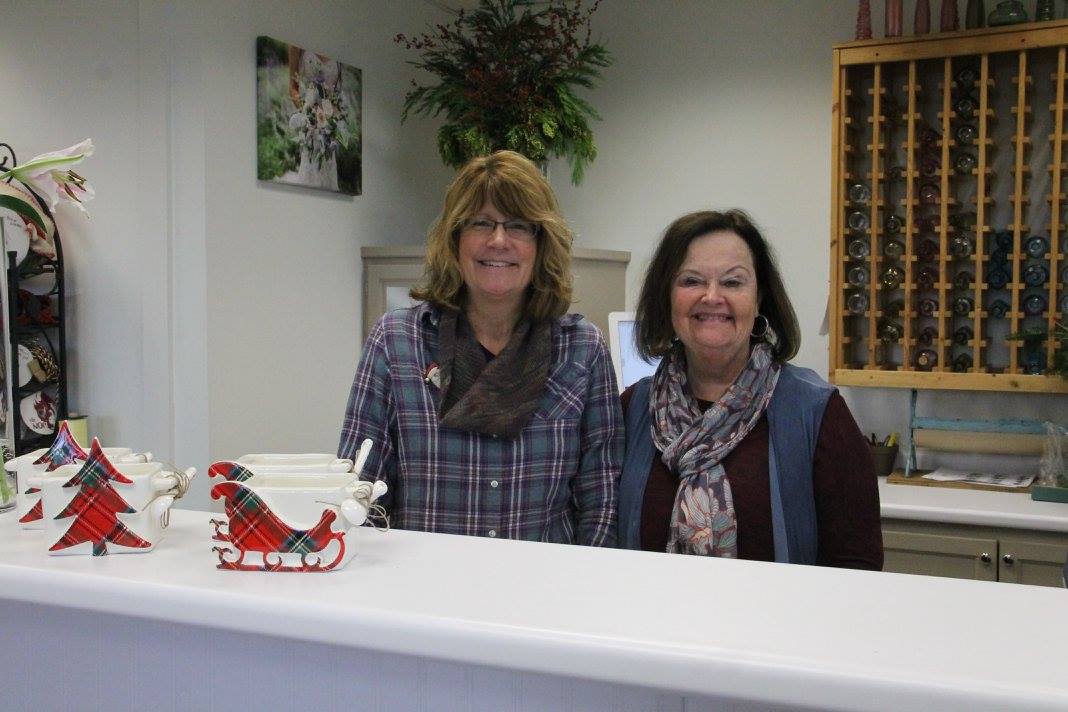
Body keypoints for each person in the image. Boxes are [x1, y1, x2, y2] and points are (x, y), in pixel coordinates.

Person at [338, 150, 622, 545]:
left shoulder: (582, 350)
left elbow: (601, 499)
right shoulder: (395, 342)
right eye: (481, 223)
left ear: (541, 243)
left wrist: (588, 575)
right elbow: (358, 492)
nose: (498, 240)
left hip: (546, 581)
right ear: (454, 239)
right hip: (421, 580)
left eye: (518, 225)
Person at [618, 210, 882, 568]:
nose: (712, 296)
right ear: (666, 297)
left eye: (733, 282)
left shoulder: (817, 413)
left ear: (759, 300)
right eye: (691, 280)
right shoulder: (633, 410)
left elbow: (856, 566)